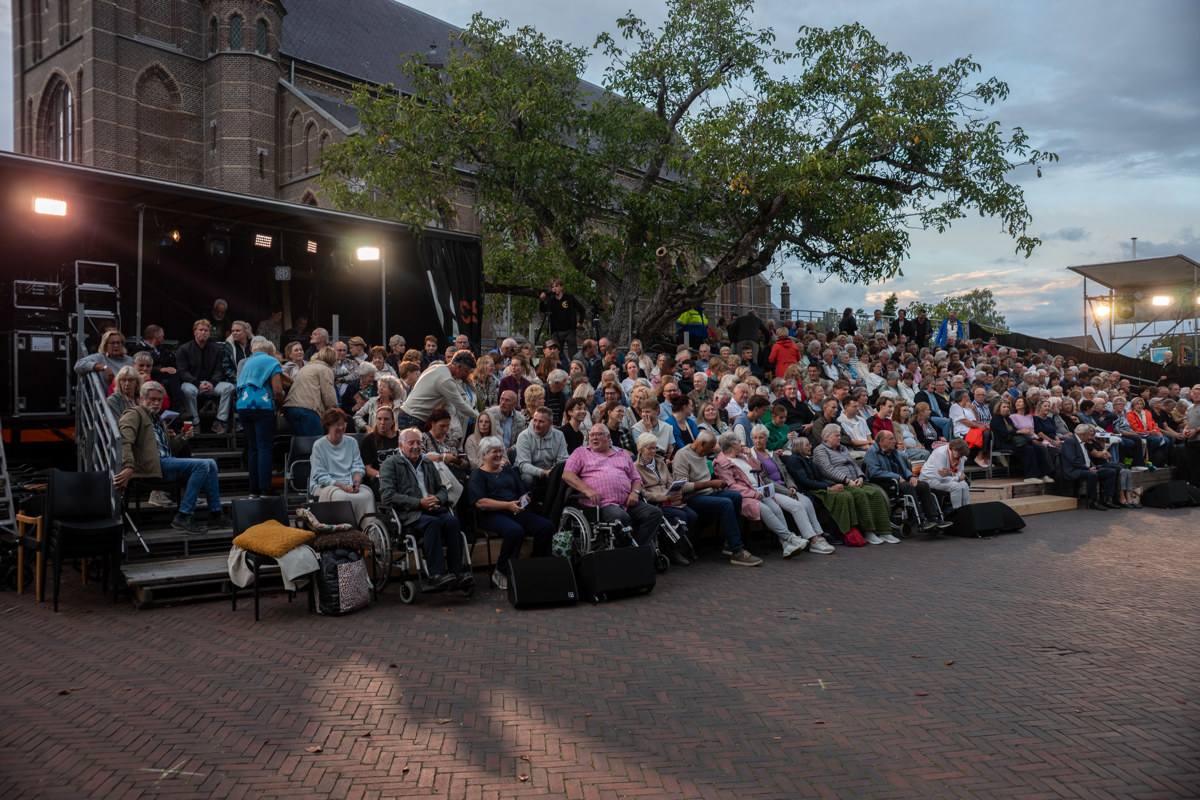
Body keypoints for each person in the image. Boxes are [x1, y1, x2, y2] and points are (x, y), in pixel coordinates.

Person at [113, 380, 227, 534]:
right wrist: (128, 466)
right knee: (202, 465)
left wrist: (183, 437)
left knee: (211, 463)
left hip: (164, 463)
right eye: (152, 399)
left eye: (159, 400)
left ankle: (216, 514)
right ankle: (184, 515)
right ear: (142, 398)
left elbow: (169, 448)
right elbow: (125, 442)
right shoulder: (133, 414)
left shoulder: (157, 419)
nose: (156, 403)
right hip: (148, 467)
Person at [380, 427, 472, 590]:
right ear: (401, 446)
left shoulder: (428, 463)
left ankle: (457, 571)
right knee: (432, 523)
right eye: (411, 443)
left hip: (432, 509)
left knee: (452, 521)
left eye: (418, 443)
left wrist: (438, 498)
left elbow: (442, 489)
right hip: (409, 514)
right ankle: (437, 574)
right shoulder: (391, 464)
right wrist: (419, 502)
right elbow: (387, 495)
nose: (416, 446)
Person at [470, 436, 554, 590]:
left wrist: (524, 498)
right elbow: (480, 502)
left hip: (514, 511)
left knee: (546, 526)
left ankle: (537, 565)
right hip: (491, 515)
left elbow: (521, 491)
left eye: (500, 451)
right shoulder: (478, 475)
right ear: (484, 455)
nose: (499, 455)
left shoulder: (508, 471)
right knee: (515, 531)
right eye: (494, 452)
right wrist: (507, 505)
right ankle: (501, 571)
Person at [561, 424, 664, 547]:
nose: (594, 438)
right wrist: (587, 490)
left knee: (655, 513)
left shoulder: (622, 453)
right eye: (591, 435)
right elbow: (567, 474)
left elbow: (636, 479)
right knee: (620, 517)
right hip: (602, 504)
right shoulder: (581, 453)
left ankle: (639, 548)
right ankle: (628, 550)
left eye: (598, 434)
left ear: (608, 437)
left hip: (627, 501)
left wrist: (635, 492)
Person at [750, 425, 837, 553]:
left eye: (761, 437)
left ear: (767, 439)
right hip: (771, 491)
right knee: (797, 506)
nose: (758, 441)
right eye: (755, 438)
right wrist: (787, 492)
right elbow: (765, 479)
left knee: (807, 502)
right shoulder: (752, 456)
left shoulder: (772, 454)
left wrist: (792, 486)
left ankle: (818, 535)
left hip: (786, 488)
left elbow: (785, 473)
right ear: (752, 439)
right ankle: (812, 539)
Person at [811, 426, 896, 543]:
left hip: (854, 480)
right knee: (860, 495)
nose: (840, 438)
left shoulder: (843, 448)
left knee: (877, 493)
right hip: (839, 483)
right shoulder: (820, 450)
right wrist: (846, 480)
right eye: (837, 435)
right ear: (827, 437)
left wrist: (861, 477)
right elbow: (826, 469)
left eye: (840, 435)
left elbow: (854, 464)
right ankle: (868, 532)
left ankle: (884, 531)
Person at [865, 430, 952, 532]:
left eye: (894, 438)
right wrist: (897, 477)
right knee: (908, 487)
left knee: (923, 485)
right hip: (887, 482)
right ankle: (921, 520)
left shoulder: (893, 451)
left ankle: (933, 518)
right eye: (891, 439)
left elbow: (904, 467)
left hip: (901, 480)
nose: (894, 441)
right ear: (881, 441)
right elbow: (875, 472)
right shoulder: (872, 452)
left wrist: (911, 476)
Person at [634, 433, 696, 566]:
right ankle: (673, 550)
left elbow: (669, 481)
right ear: (640, 449)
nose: (653, 451)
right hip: (655, 502)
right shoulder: (636, 467)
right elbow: (644, 493)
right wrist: (666, 497)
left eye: (655, 448)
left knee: (692, 515)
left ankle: (682, 545)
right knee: (681, 516)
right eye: (649, 448)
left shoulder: (660, 462)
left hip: (670, 498)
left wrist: (676, 491)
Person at [236, 338, 284, 498]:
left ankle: (253, 489)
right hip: (262, 406)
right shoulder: (272, 361)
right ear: (270, 351)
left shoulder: (247, 362)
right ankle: (265, 488)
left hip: (243, 406)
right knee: (265, 447)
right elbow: (277, 390)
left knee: (253, 448)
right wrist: (280, 405)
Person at [309, 408, 376, 522]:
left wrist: (356, 484)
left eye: (343, 424)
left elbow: (358, 467)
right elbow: (320, 475)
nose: (341, 428)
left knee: (367, 494)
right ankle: (343, 529)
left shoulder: (352, 442)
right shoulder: (319, 445)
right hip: (325, 486)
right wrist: (341, 486)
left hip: (349, 484)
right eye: (337, 425)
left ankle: (367, 528)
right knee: (342, 497)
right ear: (328, 426)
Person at [176, 319, 236, 434]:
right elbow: (183, 372)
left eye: (206, 330)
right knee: (186, 389)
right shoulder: (184, 349)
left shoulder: (215, 349)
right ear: (195, 332)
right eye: (200, 330)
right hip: (193, 383)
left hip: (211, 383)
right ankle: (195, 423)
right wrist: (197, 383)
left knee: (229, 387)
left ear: (209, 333)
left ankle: (220, 421)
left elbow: (219, 369)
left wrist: (212, 383)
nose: (203, 332)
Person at [397, 351, 480, 431]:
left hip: (408, 415)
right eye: (466, 371)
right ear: (458, 366)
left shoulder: (436, 368)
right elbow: (461, 405)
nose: (467, 375)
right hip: (412, 418)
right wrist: (480, 417)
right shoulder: (446, 379)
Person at [515, 407, 569, 507]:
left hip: (550, 471)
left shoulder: (559, 435)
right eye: (535, 420)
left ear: (550, 423)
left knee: (562, 476)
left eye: (541, 422)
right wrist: (544, 473)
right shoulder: (524, 436)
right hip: (530, 472)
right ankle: (529, 506)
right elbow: (523, 465)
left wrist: (554, 470)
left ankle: (553, 507)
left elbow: (563, 460)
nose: (536, 424)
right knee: (527, 478)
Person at [990, 397, 1053, 483]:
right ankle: (1030, 476)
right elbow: (1004, 432)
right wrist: (1020, 431)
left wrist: (1024, 432)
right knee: (1029, 449)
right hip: (1004, 443)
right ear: (998, 408)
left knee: (1040, 448)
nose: (1006, 409)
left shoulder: (1008, 418)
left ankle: (1044, 474)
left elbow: (1014, 430)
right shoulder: (996, 419)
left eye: (1007, 407)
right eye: (1004, 407)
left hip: (1013, 441)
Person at [282, 346, 338, 436]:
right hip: (308, 410)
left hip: (291, 408)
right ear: (333, 359)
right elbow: (328, 394)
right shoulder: (325, 369)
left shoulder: (306, 367)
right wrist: (335, 411)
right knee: (316, 440)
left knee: (301, 441)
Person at [1062, 424, 1120, 510]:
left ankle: (1106, 499)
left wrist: (1093, 466)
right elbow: (1072, 460)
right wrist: (1087, 468)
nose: (1089, 436)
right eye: (1088, 434)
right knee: (1092, 475)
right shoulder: (1070, 441)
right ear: (1083, 434)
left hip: (1086, 467)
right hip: (1074, 469)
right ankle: (1093, 501)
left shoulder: (1083, 442)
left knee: (1111, 472)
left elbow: (1087, 458)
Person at [539, 279, 588, 357]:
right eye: (553, 287)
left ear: (561, 287)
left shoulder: (569, 297)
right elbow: (543, 310)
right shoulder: (551, 300)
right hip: (557, 331)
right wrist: (542, 301)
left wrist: (580, 322)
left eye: (556, 286)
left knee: (573, 353)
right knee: (558, 353)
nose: (554, 288)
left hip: (570, 330)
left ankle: (575, 364)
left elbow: (582, 309)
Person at [359, 405, 400, 498]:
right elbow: (368, 470)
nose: (382, 422)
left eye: (386, 419)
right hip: (379, 480)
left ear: (393, 421)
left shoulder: (401, 437)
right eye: (379, 419)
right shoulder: (368, 440)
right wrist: (387, 476)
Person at [920, 438, 971, 509]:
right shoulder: (941, 453)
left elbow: (961, 473)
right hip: (929, 478)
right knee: (955, 487)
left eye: (962, 456)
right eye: (959, 455)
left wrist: (950, 473)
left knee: (964, 485)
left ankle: (966, 511)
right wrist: (957, 477)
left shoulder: (961, 455)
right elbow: (941, 478)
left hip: (947, 477)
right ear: (953, 449)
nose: (960, 457)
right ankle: (958, 512)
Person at [950, 389, 992, 468]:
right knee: (986, 433)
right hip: (963, 431)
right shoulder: (955, 406)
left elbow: (976, 419)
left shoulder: (968, 407)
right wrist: (977, 426)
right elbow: (963, 420)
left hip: (973, 429)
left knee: (989, 430)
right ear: (963, 398)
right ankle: (979, 457)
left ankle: (986, 456)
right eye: (968, 396)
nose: (969, 398)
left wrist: (973, 409)